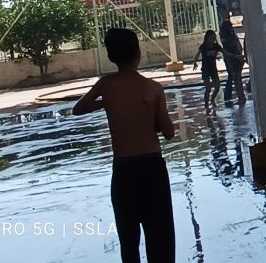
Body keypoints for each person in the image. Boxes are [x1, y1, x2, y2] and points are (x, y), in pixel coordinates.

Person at [73, 28, 176, 263]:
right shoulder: (152, 88)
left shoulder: (106, 85)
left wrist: (106, 103)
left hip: (123, 172)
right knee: (160, 238)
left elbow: (78, 109)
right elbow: (169, 132)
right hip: (152, 171)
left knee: (128, 242)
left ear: (110, 56)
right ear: (139, 52)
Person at [219, 19, 246, 109]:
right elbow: (239, 47)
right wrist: (239, 56)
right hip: (238, 59)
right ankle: (241, 97)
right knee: (238, 79)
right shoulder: (233, 36)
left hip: (232, 60)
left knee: (236, 79)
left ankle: (241, 98)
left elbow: (226, 52)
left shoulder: (225, 38)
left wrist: (235, 57)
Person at [194, 29, 223, 111]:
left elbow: (225, 52)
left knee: (217, 86)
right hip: (206, 69)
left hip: (213, 69)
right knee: (208, 87)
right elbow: (197, 54)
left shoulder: (216, 46)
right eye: (210, 38)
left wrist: (235, 57)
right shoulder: (204, 46)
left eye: (213, 38)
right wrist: (195, 63)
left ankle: (212, 99)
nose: (212, 40)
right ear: (207, 38)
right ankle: (206, 104)